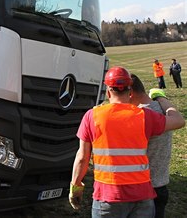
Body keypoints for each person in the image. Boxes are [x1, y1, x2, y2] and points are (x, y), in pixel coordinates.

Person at [69, 66, 185, 217]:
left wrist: (75, 188)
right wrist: (160, 97)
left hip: (108, 196)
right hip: (142, 196)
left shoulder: (92, 116)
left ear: (108, 90)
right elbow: (179, 121)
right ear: (130, 90)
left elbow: (82, 158)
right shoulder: (145, 116)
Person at [130, 75, 184, 218]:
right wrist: (160, 97)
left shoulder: (140, 115)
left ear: (130, 93)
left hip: (141, 188)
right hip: (160, 185)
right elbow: (177, 117)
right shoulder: (162, 110)